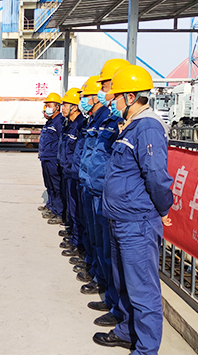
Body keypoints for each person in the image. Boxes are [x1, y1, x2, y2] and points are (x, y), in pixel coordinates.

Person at [93, 65, 173, 354]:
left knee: (143, 290)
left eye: (116, 97)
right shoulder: (131, 125)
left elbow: (156, 175)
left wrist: (164, 208)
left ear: (130, 97)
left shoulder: (148, 127)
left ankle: (147, 348)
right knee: (124, 282)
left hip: (136, 222)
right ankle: (128, 331)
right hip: (120, 218)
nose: (112, 101)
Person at [82, 60, 129, 326]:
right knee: (101, 245)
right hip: (95, 187)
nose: (103, 91)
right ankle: (108, 293)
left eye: (105, 85)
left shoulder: (127, 122)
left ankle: (117, 306)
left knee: (114, 257)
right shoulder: (109, 118)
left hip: (110, 196)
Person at [57, 87, 86, 258]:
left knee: (77, 210)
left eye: (65, 105)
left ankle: (78, 242)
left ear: (74, 107)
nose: (63, 108)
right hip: (68, 170)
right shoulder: (68, 124)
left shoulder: (80, 124)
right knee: (72, 207)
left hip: (76, 173)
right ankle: (73, 235)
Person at [38, 93, 64, 224]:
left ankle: (58, 212)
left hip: (53, 159)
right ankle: (51, 205)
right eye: (45, 106)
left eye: (49, 105)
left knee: (56, 186)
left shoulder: (59, 122)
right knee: (49, 185)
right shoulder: (49, 122)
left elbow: (61, 142)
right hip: (46, 158)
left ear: (57, 107)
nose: (46, 108)